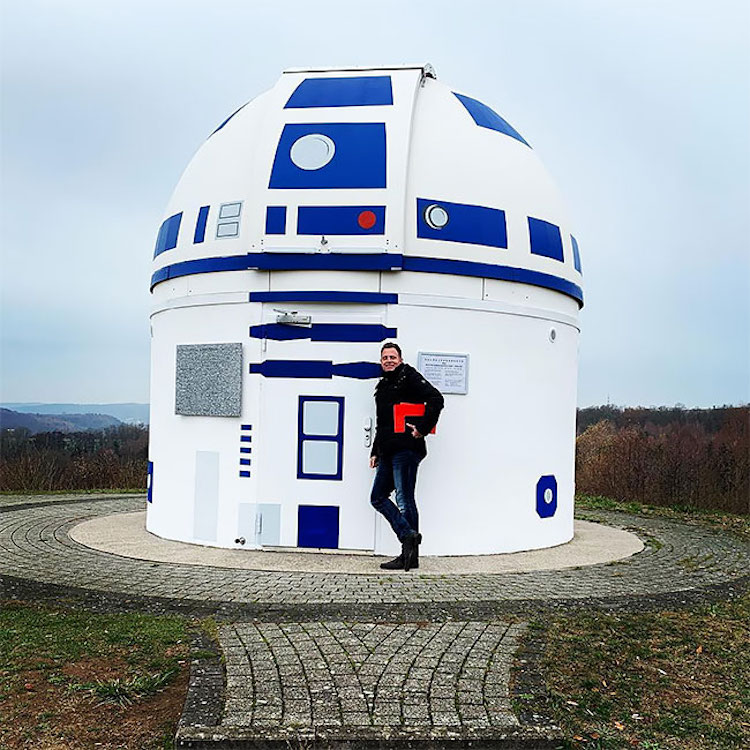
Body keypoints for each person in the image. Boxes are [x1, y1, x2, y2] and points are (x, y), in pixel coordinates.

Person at [369, 342, 444, 571]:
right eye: (385, 358)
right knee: (378, 497)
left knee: (404, 499)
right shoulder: (382, 387)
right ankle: (408, 536)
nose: (389, 360)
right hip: (387, 450)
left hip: (407, 449)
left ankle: (409, 556)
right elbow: (383, 423)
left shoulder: (408, 376)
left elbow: (436, 399)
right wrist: (375, 451)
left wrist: (421, 428)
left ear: (400, 359)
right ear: (381, 362)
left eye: (392, 357)